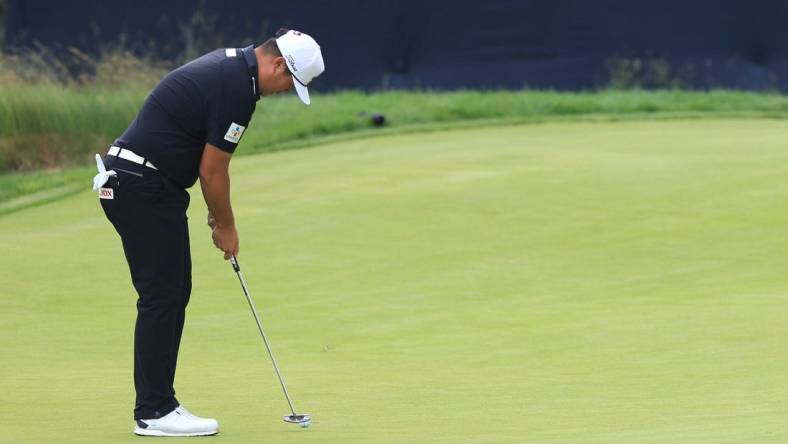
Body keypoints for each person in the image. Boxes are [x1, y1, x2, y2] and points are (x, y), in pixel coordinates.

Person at [93, 28, 325, 437]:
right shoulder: (238, 88)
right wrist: (227, 225)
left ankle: (158, 405)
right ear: (276, 64)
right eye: (290, 81)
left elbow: (200, 161)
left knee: (170, 292)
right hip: (141, 186)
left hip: (140, 183)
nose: (286, 90)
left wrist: (217, 217)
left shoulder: (233, 68)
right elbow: (212, 170)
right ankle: (154, 411)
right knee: (163, 295)